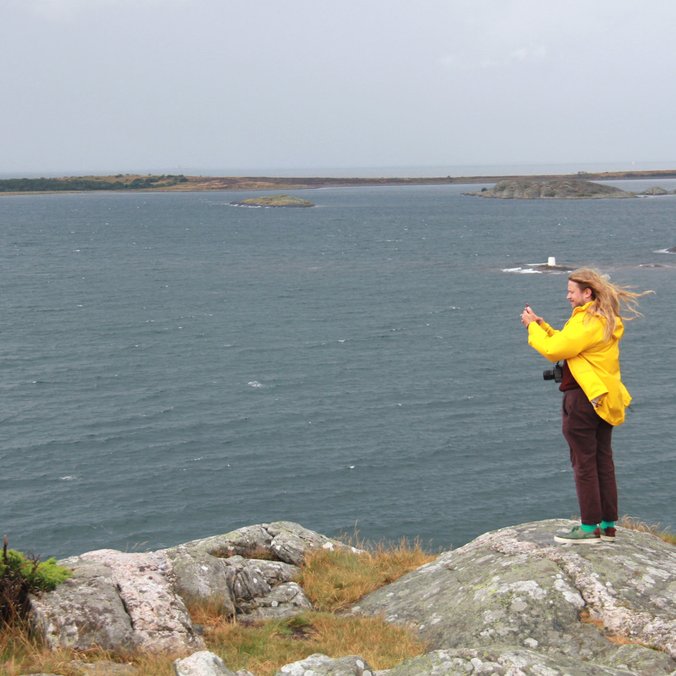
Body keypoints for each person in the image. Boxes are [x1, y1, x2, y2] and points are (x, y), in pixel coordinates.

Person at [520, 268, 650, 544]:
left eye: (571, 291)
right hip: (603, 398)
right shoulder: (604, 318)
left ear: (587, 293)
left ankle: (589, 528)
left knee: (584, 463)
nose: (567, 296)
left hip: (582, 399)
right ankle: (608, 525)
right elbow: (570, 345)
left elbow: (555, 350)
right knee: (603, 460)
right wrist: (544, 327)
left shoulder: (586, 320)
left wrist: (531, 327)